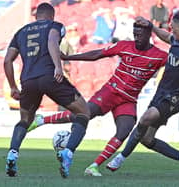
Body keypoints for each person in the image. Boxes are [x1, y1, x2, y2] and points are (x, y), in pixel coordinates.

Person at [27, 22, 168, 176]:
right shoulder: (124, 46)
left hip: (129, 99)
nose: (137, 38)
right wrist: (69, 57)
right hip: (111, 91)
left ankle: (93, 166)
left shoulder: (159, 56)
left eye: (140, 34)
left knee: (124, 130)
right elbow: (96, 54)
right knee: (85, 114)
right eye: (135, 34)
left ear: (149, 35)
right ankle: (41, 120)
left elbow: (178, 68)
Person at [107, 10, 179, 178]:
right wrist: (151, 26)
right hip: (161, 94)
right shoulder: (176, 41)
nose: (170, 27)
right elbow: (165, 36)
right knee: (147, 139)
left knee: (145, 118)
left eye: (172, 25)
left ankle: (121, 158)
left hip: (176, 96)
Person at [3, 3, 90, 178]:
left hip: (28, 80)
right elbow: (51, 40)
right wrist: (58, 67)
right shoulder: (55, 26)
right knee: (83, 112)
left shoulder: (20, 32)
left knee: (25, 120)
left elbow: (7, 61)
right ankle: (68, 153)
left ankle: (12, 153)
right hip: (50, 77)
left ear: (36, 16)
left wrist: (13, 86)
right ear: (52, 15)